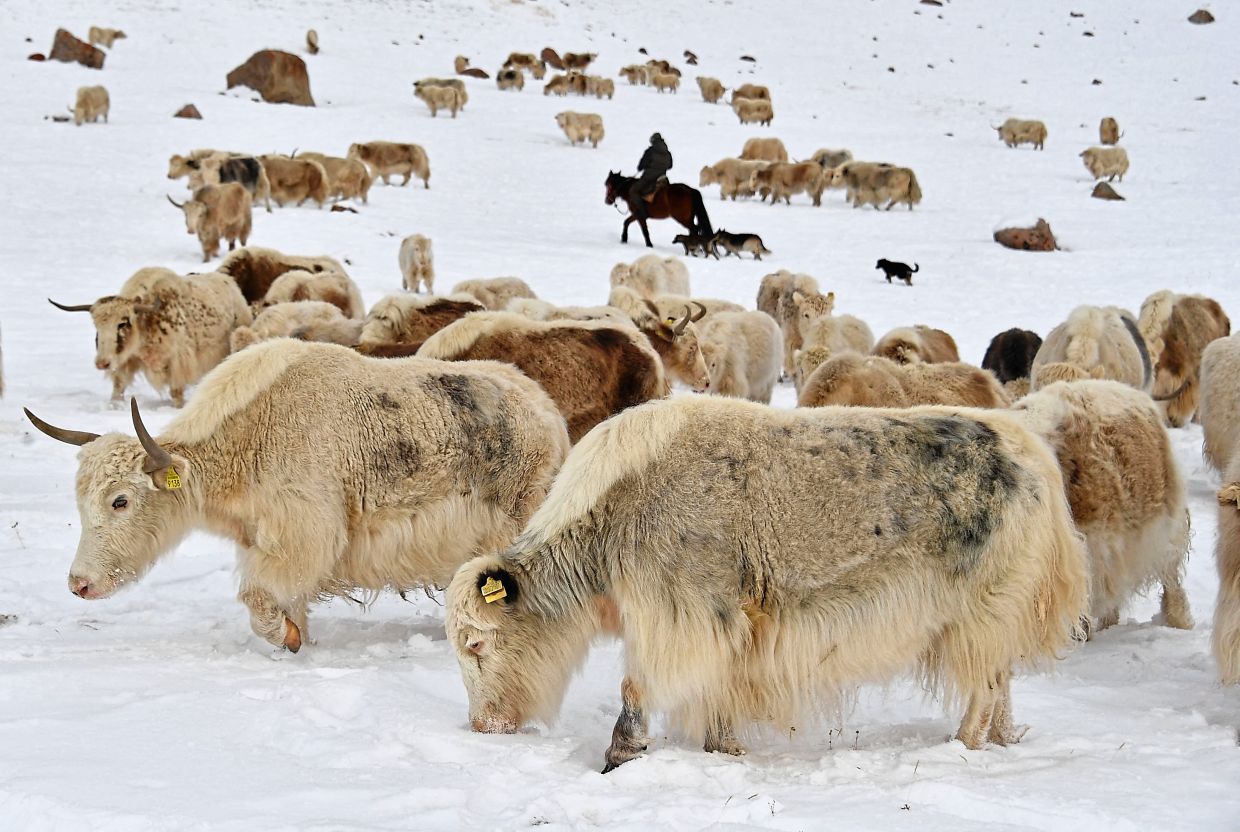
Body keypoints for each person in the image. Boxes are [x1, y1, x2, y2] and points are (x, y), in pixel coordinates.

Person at [629, 133, 672, 218]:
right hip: (662, 177)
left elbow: (641, 165)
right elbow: (670, 166)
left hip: (649, 178)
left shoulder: (650, 151)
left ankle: (642, 212)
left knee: (633, 191)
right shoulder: (667, 152)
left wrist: (643, 167)